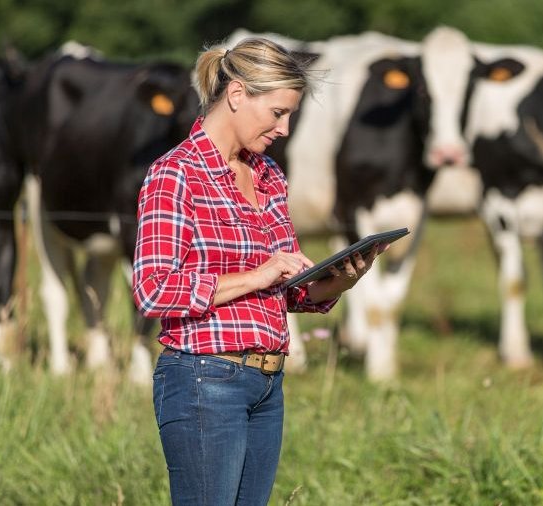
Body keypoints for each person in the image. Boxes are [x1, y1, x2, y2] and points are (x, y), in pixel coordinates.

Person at [132, 37, 378, 506]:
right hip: (204, 379)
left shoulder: (269, 176)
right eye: (278, 113)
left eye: (289, 116)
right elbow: (153, 289)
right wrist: (256, 276)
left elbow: (286, 290)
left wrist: (342, 279)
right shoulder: (176, 174)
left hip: (267, 383)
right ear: (237, 94)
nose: (284, 129)